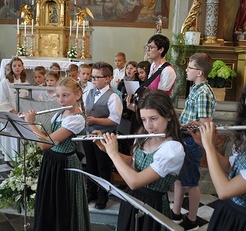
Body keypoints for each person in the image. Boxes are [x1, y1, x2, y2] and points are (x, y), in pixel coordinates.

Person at [95, 90, 185, 231]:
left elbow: (134, 182)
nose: (148, 125)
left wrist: (113, 154)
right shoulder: (143, 136)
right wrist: (106, 149)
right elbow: (133, 163)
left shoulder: (173, 149)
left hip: (152, 207)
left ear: (169, 115)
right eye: (144, 119)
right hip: (132, 201)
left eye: (153, 118)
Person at [24, 77, 90, 231]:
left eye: (65, 95)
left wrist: (31, 124)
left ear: (78, 95)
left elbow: (44, 144)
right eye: (58, 96)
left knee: (63, 205)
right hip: (52, 161)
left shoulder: (76, 119)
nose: (61, 100)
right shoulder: (60, 114)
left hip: (64, 164)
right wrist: (34, 126)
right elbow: (49, 136)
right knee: (50, 203)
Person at [171, 53, 216, 230]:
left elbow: (205, 124)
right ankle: (175, 213)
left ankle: (191, 218)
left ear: (199, 72)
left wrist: (185, 125)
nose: (186, 70)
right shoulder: (196, 89)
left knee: (191, 182)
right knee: (179, 179)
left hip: (191, 140)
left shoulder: (204, 93)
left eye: (190, 67)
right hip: (184, 137)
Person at [197, 81, 246, 231]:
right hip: (228, 212)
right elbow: (229, 167)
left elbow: (224, 191)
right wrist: (207, 145)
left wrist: (208, 147)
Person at [82, 61, 123, 209]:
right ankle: (91, 191)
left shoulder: (113, 97)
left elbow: (114, 120)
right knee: (90, 164)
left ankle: (103, 196)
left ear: (108, 78)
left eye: (97, 77)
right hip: (89, 135)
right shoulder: (89, 92)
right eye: (92, 77)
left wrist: (95, 120)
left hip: (105, 137)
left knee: (103, 167)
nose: (93, 80)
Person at [0, 57, 29, 163]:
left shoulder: (25, 82)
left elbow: (28, 98)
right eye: (14, 66)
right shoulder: (5, 82)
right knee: (12, 136)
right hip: (11, 112)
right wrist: (13, 111)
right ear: (11, 67)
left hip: (22, 113)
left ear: (22, 67)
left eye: (19, 65)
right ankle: (12, 158)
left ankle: (22, 159)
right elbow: (2, 100)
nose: (17, 68)